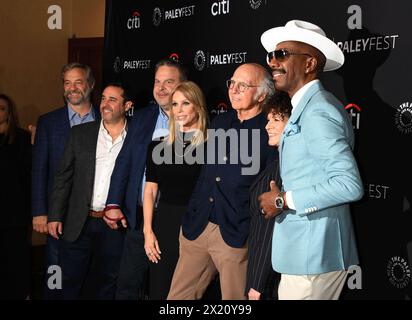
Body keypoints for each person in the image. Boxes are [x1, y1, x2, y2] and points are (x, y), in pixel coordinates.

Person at [258, 20, 364, 300]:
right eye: (272, 55)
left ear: (309, 64)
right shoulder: (309, 107)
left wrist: (283, 200)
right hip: (306, 254)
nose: (273, 62)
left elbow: (348, 184)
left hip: (314, 255)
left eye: (282, 55)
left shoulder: (318, 111)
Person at [167, 63, 276, 300]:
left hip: (235, 233)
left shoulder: (271, 131)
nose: (234, 89)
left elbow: (270, 188)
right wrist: (192, 213)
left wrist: (248, 228)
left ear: (263, 94)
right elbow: (207, 173)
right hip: (197, 226)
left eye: (243, 85)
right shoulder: (221, 122)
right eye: (232, 83)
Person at [104, 58, 188, 300]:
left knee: (168, 288)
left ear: (183, 85)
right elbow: (125, 162)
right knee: (128, 286)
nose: (161, 88)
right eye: (157, 82)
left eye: (168, 82)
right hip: (139, 217)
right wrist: (113, 202)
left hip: (175, 218)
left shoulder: (197, 121)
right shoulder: (141, 118)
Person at [47, 83, 133, 299]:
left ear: (127, 105)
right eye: (103, 98)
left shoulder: (136, 138)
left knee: (107, 283)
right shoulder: (81, 133)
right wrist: (55, 215)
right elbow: (63, 177)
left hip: (114, 227)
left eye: (113, 99)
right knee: (67, 282)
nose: (105, 104)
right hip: (79, 221)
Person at [31, 62, 99, 299]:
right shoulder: (48, 123)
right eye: (67, 83)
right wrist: (40, 212)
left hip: (92, 213)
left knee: (87, 274)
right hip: (57, 215)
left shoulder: (105, 119)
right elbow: (39, 169)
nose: (72, 88)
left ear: (90, 85)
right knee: (55, 270)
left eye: (78, 82)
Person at [143, 81, 208, 299]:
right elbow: (150, 190)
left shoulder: (213, 145)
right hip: (166, 224)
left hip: (200, 224)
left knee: (193, 290)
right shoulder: (157, 146)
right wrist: (148, 231)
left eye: (185, 103)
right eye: (174, 104)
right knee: (162, 287)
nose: (178, 110)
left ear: (198, 106)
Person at [246, 91, 292, 300]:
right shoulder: (277, 163)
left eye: (276, 119)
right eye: (268, 119)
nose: (268, 125)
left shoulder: (285, 169)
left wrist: (257, 284)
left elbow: (270, 230)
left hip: (270, 280)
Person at [0, 94, 31, 300]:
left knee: (15, 259)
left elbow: (28, 176)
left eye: (1, 108)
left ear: (9, 112)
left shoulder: (21, 138)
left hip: (15, 213)